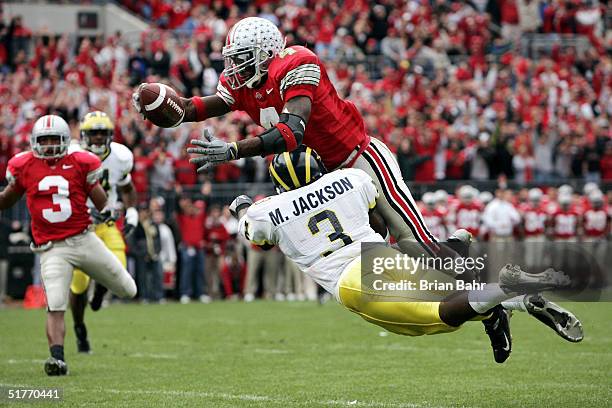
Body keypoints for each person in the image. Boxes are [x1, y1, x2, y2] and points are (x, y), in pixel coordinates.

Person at [229, 146, 583, 364]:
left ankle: (504, 290)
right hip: (379, 254)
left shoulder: (267, 209)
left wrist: (241, 207)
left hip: (349, 279)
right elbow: (378, 220)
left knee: (434, 318)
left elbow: (258, 240)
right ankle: (503, 305)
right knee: (451, 297)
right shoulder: (351, 179)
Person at [132, 16, 439, 258]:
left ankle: (476, 288)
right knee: (367, 247)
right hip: (322, 179)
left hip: (356, 158)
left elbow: (291, 133)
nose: (233, 67)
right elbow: (191, 108)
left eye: (241, 58)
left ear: (266, 54)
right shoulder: (242, 84)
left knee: (412, 238)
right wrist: (157, 104)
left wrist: (232, 150)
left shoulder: (295, 63)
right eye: (232, 59)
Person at [0, 115, 137, 376]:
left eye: (55, 139)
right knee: (56, 303)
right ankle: (58, 359)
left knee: (128, 289)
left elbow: (100, 198)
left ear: (66, 141)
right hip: (52, 248)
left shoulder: (81, 162)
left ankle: (98, 293)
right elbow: (6, 200)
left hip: (84, 239)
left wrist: (108, 210)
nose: (50, 145)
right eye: (44, 140)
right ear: (34, 142)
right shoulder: (25, 165)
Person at [68, 111, 139, 354]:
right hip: (80, 225)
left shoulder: (120, 156)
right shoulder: (72, 155)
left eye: (102, 133)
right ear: (83, 135)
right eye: (93, 133)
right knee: (78, 284)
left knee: (117, 268)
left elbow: (127, 187)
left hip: (106, 222)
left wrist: (132, 213)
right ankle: (79, 326)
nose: (98, 138)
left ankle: (100, 290)